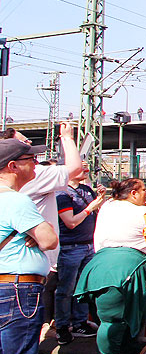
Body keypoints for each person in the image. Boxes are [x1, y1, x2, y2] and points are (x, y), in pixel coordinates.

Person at [0, 139, 58, 354]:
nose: (35, 164)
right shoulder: (16, 201)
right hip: (18, 289)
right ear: (12, 166)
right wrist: (37, 229)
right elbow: (49, 240)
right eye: (29, 159)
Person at [75, 178, 146, 354]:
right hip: (121, 269)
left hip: (99, 265)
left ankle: (124, 351)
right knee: (112, 319)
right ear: (134, 193)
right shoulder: (142, 213)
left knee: (120, 314)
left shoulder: (108, 207)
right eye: (143, 189)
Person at [15, 123, 82, 326]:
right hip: (25, 270)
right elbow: (75, 168)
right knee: (22, 338)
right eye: (24, 143)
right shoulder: (31, 179)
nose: (29, 143)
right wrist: (67, 138)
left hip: (18, 267)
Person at [54, 161, 107, 345]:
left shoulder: (86, 190)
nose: (86, 169)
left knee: (82, 288)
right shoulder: (62, 194)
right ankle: (62, 326)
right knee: (66, 289)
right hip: (71, 247)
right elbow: (70, 222)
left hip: (87, 245)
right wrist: (90, 208)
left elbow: (96, 213)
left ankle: (80, 322)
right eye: (81, 166)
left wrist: (100, 200)